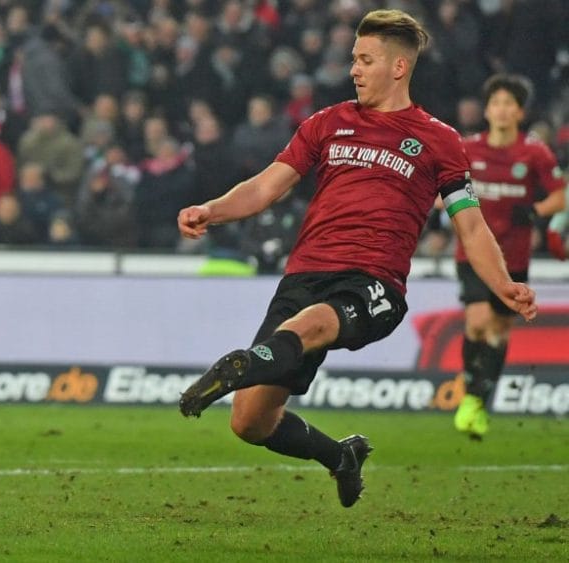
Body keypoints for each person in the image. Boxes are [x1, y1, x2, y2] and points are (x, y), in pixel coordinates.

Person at [175, 10, 537, 509]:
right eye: (354, 59)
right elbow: (266, 186)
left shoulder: (440, 141)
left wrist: (503, 284)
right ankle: (340, 455)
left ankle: (243, 364)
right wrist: (211, 210)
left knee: (310, 326)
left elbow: (470, 224)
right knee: (249, 423)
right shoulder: (328, 123)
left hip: (372, 284)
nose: (354, 70)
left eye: (365, 60)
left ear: (398, 67)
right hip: (305, 275)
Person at [452, 74, 566, 438]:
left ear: (520, 112)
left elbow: (560, 196)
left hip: (513, 258)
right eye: (495, 103)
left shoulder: (535, 153)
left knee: (499, 332)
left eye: (508, 104)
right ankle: (470, 398)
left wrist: (533, 211)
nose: (501, 110)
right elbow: (444, 189)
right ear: (486, 110)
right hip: (471, 252)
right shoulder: (467, 148)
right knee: (477, 321)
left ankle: (481, 401)